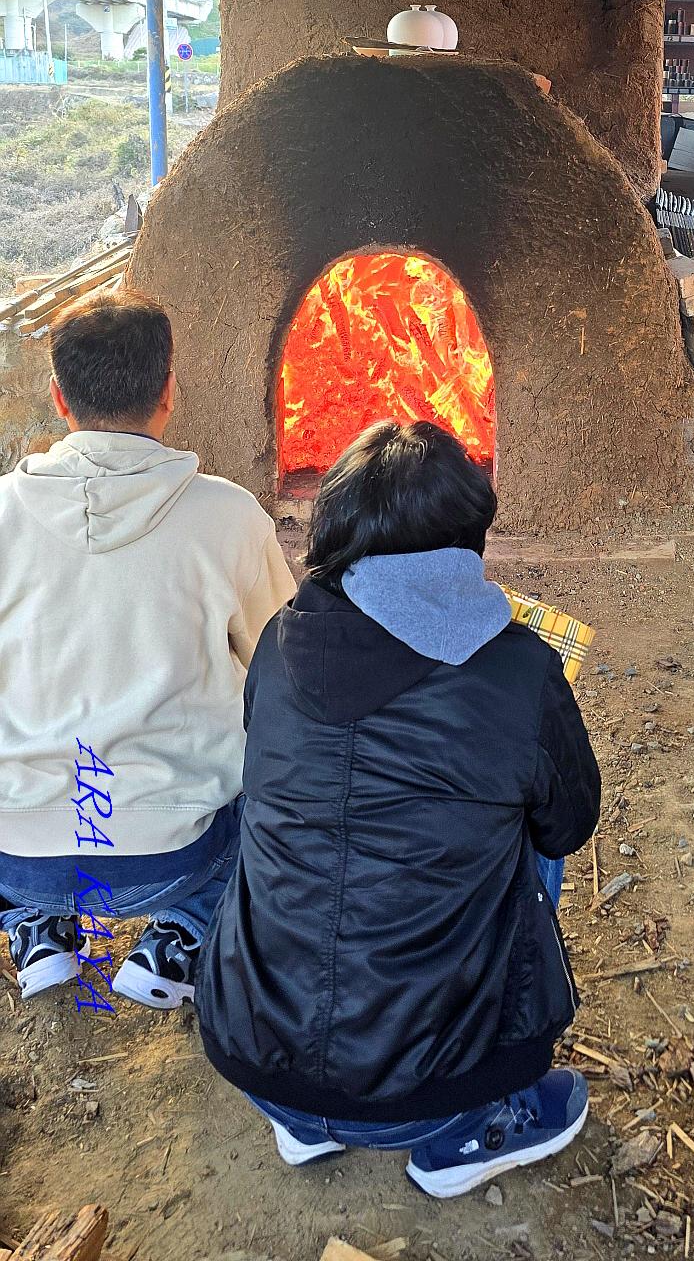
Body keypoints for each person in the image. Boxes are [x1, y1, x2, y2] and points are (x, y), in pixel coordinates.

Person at [195, 420, 601, 1198]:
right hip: (434, 1085)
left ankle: (305, 1123)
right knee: (527, 823)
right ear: (467, 539)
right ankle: (463, 1136)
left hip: (254, 1053)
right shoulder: (519, 668)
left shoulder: (279, 640)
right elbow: (568, 826)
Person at [0, 291, 296, 1006]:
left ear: (58, 396)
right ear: (169, 391)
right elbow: (282, 667)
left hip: (15, 855)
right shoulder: (228, 516)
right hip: (172, 857)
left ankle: (36, 925)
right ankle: (180, 935)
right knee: (285, 785)